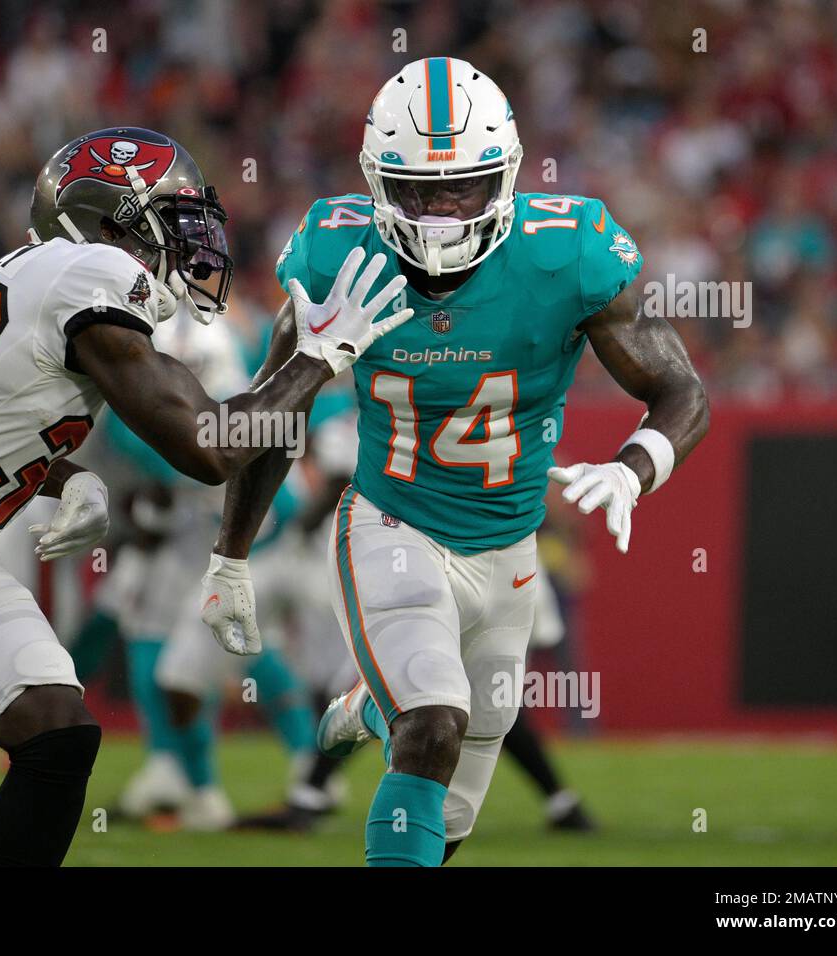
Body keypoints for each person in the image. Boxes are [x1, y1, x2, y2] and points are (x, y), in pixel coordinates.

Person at [0, 126, 413, 866]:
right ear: (103, 221)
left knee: (57, 728)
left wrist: (64, 474)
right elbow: (208, 449)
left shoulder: (55, 281)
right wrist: (315, 360)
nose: (192, 242)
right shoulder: (89, 271)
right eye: (172, 218)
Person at [200, 59, 710, 867]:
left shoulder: (567, 252)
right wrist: (230, 555)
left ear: (503, 176)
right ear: (376, 182)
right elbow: (271, 417)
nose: (439, 212)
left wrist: (634, 466)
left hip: (509, 549)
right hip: (390, 522)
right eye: (417, 191)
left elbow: (681, 390)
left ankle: (375, 710)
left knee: (451, 818)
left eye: (461, 188)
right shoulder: (337, 252)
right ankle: (394, 709)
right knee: (433, 722)